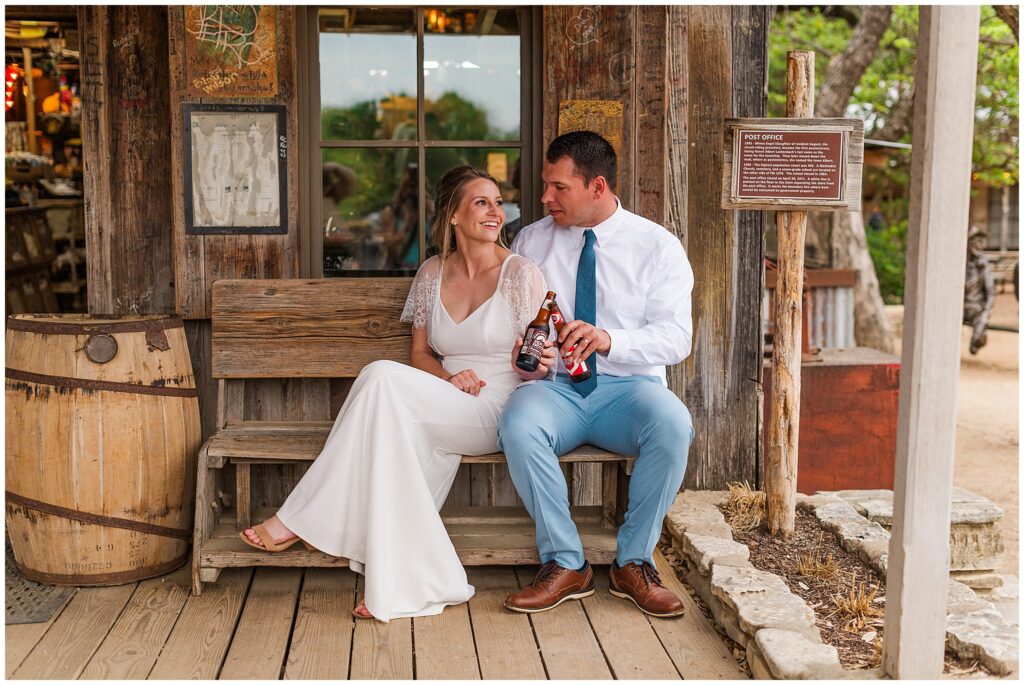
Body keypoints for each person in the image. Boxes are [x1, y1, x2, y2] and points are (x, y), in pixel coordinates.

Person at [240, 165, 554, 622]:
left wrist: (533, 365)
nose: (495, 211)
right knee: (386, 413)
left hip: (497, 406)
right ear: (452, 214)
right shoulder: (431, 273)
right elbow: (421, 355)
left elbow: (535, 359)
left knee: (379, 377)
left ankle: (296, 519)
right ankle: (394, 580)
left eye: (497, 201)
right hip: (444, 395)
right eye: (481, 202)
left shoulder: (521, 274)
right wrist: (449, 380)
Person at [499, 131, 695, 618]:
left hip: (629, 391)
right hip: (556, 390)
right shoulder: (531, 239)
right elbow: (517, 319)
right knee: (518, 424)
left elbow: (676, 339)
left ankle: (634, 563)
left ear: (598, 186)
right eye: (546, 185)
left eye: (559, 188)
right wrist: (530, 349)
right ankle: (566, 562)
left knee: (674, 425)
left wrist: (612, 339)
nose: (546, 198)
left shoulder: (657, 246)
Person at [963, 225, 995, 354]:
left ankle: (976, 340)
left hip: (975, 308)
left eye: (980, 241)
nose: (978, 244)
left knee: (980, 322)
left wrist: (986, 313)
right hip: (958, 307)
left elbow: (991, 292)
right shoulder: (960, 262)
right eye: (974, 240)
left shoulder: (983, 265)